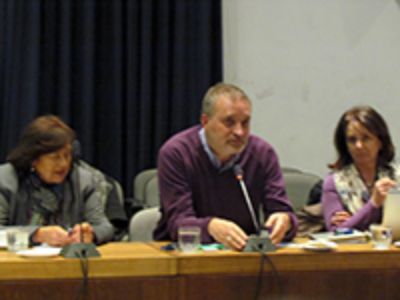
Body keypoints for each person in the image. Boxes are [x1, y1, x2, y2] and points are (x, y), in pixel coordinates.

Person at [153, 83, 297, 250]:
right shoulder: (176, 153)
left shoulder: (262, 154)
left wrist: (284, 222)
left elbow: (283, 212)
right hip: (183, 257)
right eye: (229, 122)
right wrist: (210, 227)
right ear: (205, 121)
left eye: (245, 123)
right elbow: (178, 224)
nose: (240, 132)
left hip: (242, 254)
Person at [0, 115, 116, 246]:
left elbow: (104, 227)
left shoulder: (83, 181)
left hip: (67, 264)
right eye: (55, 157)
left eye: (67, 156)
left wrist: (90, 234)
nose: (64, 164)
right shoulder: (5, 180)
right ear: (33, 158)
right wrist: (36, 235)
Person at [322, 106, 400, 231]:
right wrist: (374, 203)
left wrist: (353, 220)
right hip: (354, 250)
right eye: (352, 140)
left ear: (380, 142)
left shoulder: (397, 176)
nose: (359, 146)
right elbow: (337, 232)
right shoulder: (334, 183)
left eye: (366, 138)